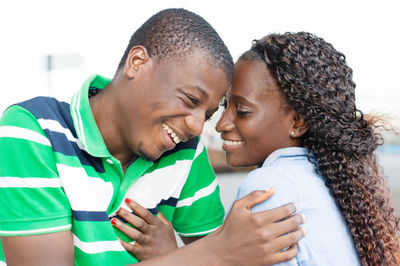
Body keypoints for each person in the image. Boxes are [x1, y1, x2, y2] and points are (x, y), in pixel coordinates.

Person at [0, 9, 305, 266]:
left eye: (208, 114)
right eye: (189, 99)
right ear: (137, 63)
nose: (198, 127)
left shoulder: (186, 153)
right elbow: (218, 253)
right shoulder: (33, 131)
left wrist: (174, 254)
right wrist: (207, 253)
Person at [214, 32, 400, 265]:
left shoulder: (267, 188)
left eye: (242, 111)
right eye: (224, 105)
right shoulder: (335, 184)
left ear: (298, 122)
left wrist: (172, 252)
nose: (222, 124)